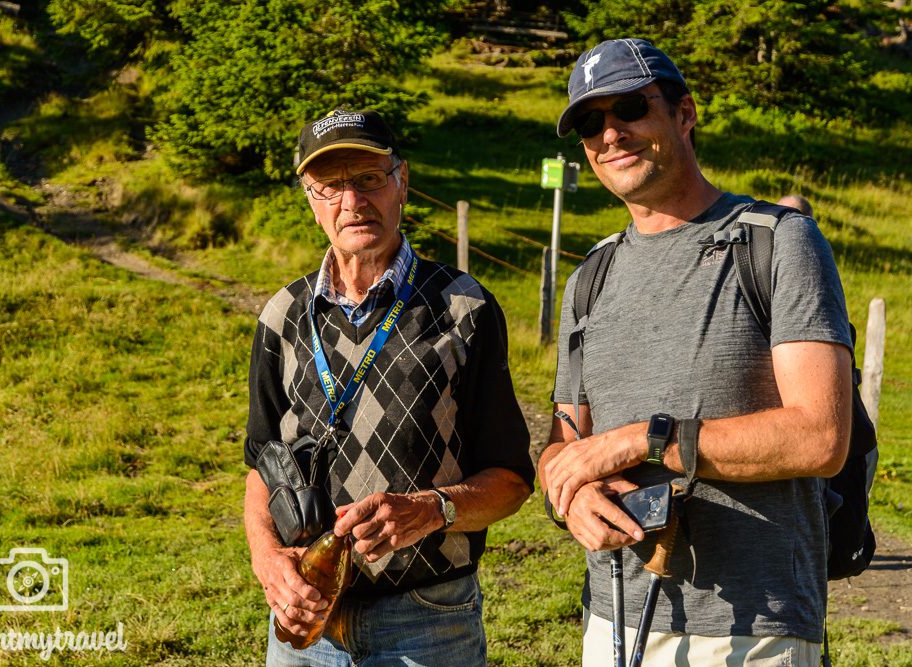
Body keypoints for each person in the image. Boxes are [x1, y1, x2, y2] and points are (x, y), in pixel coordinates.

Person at [540, 39, 852, 666]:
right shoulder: (590, 277)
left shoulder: (779, 243)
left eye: (630, 107)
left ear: (684, 114)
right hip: (613, 620)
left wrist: (643, 440)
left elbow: (821, 438)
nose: (610, 134)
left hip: (753, 630)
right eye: (590, 124)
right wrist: (568, 492)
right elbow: (567, 444)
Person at [243, 109, 534, 666]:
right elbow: (261, 465)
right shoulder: (282, 315)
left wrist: (429, 510)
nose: (352, 201)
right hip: (303, 621)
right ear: (311, 201)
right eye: (330, 186)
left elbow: (513, 479)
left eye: (369, 179)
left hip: (426, 621)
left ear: (401, 183)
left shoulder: (463, 307)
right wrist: (268, 560)